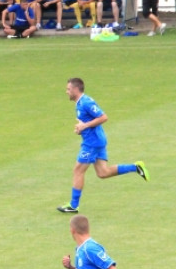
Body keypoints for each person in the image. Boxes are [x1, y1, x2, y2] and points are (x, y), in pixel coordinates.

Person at [57, 78, 148, 214]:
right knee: (103, 173)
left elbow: (103, 117)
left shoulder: (86, 102)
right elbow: (88, 122)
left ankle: (73, 205)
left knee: (78, 170)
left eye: (68, 89)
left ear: (76, 89)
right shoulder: (80, 103)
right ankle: (135, 167)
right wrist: (81, 129)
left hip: (92, 143)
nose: (66, 92)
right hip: (96, 140)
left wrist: (85, 126)